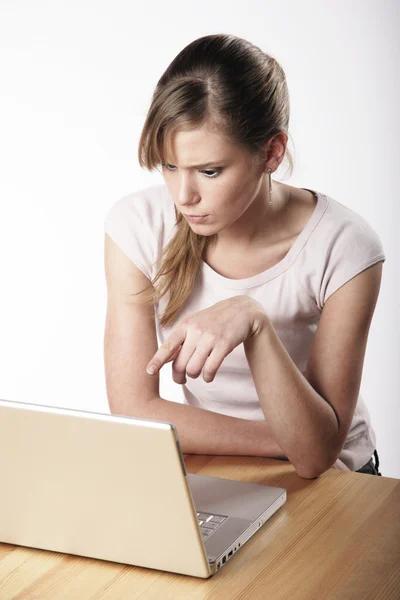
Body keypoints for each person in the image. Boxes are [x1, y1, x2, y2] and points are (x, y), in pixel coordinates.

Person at [104, 33, 385, 478]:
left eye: (210, 171)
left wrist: (254, 323)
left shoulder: (344, 246)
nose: (183, 195)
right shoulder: (137, 226)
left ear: (272, 153)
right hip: (223, 462)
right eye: (170, 166)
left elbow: (316, 459)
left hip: (341, 480)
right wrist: (284, 442)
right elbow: (134, 407)